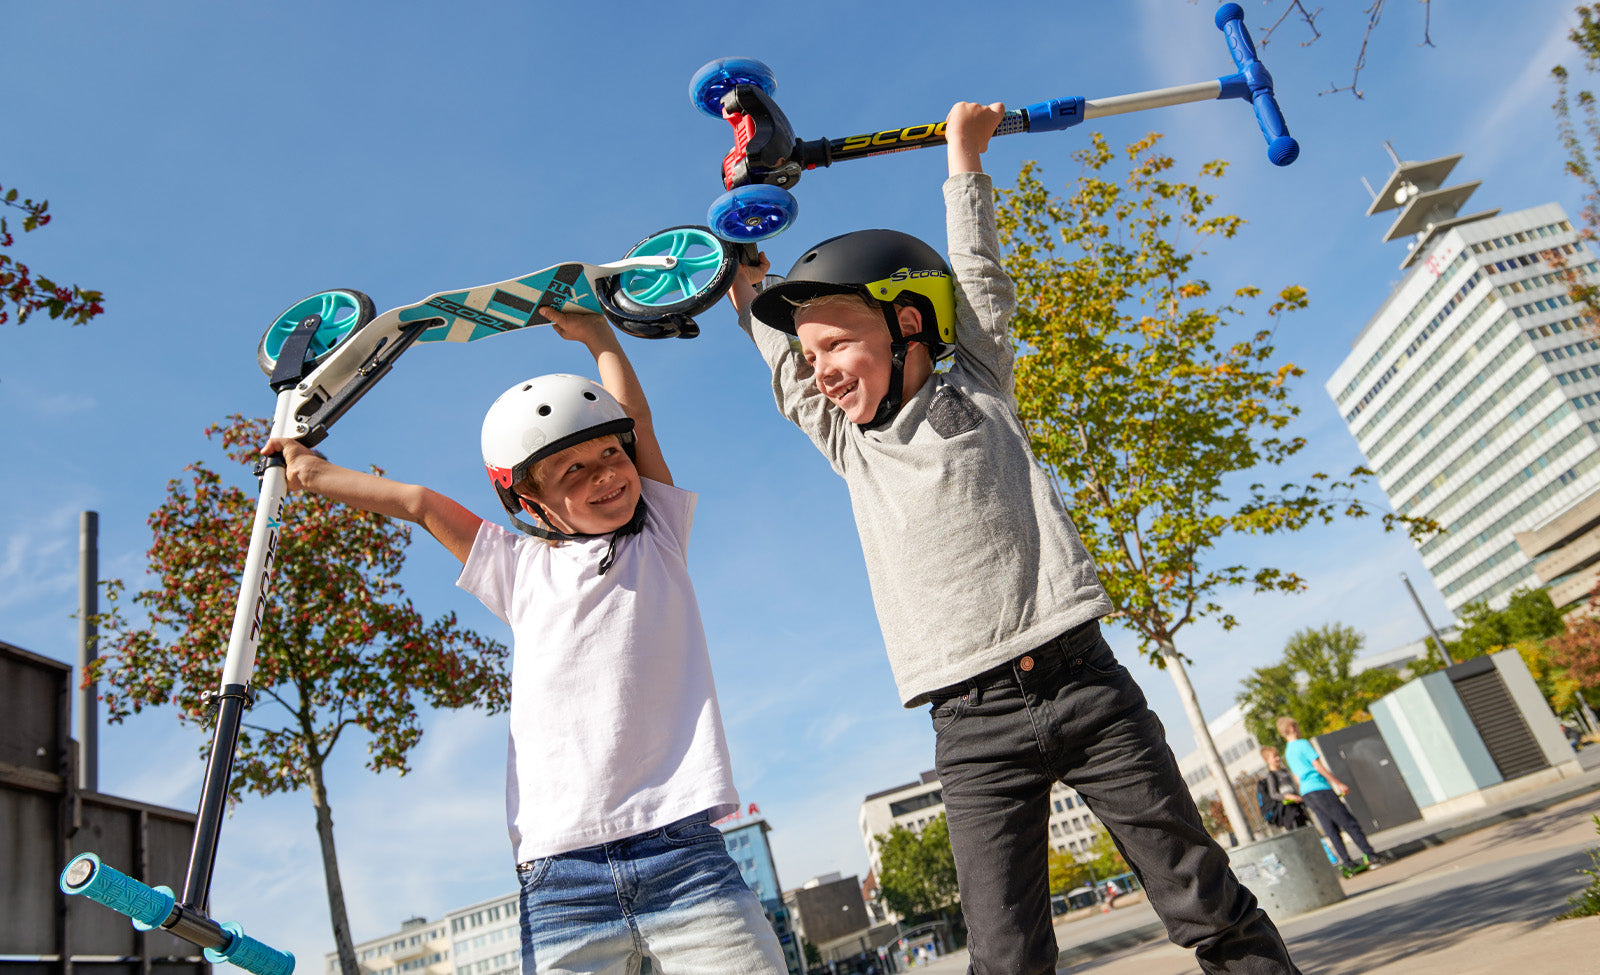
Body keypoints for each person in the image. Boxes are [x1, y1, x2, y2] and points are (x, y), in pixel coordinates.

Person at [727, 100, 1300, 975]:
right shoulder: (854, 449)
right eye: (813, 357)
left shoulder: (979, 388)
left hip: (1085, 684)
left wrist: (964, 158)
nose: (823, 370)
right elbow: (779, 365)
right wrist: (740, 264)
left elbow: (978, 274)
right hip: (969, 726)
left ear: (910, 322)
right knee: (1005, 958)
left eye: (836, 343)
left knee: (1205, 899)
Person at [263, 310, 786, 974]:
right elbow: (421, 502)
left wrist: (599, 337)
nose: (605, 474)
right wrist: (312, 473)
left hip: (682, 852)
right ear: (529, 501)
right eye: (572, 471)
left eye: (608, 454)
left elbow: (638, 422)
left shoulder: (657, 538)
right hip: (562, 877)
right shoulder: (515, 569)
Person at [1277, 716, 1391, 874]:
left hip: (1307, 792)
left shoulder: (1288, 752)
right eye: (1296, 725)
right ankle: (1371, 855)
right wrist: (1338, 783)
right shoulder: (1302, 744)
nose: (1299, 728)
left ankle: (1347, 862)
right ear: (1291, 728)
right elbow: (1317, 766)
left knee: (1330, 828)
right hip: (1319, 788)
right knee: (1348, 822)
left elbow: (1296, 777)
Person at [1257, 746, 1310, 831]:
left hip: (1298, 806)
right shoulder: (1271, 776)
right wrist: (1289, 797)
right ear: (1267, 760)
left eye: (1277, 755)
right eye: (1274, 757)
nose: (1278, 758)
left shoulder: (1284, 771)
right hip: (1288, 811)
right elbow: (1274, 794)